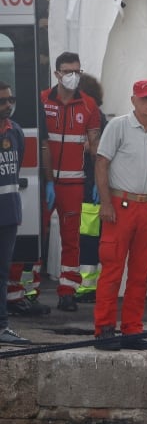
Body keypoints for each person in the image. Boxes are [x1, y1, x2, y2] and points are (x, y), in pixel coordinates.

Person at [92, 79, 147, 351]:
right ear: (134, 100)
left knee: (141, 273)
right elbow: (101, 163)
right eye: (146, 98)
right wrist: (106, 203)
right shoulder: (119, 126)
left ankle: (132, 329)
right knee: (113, 270)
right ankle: (104, 329)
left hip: (146, 209)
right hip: (121, 205)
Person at [40, 51, 102, 312]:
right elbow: (40, 143)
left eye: (77, 71)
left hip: (75, 183)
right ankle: (24, 292)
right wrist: (47, 180)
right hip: (46, 184)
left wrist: (100, 180)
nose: (73, 76)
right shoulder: (42, 100)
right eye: (67, 71)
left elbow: (96, 147)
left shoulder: (89, 105)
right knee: (36, 236)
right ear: (57, 74)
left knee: (71, 240)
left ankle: (68, 291)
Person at [0, 81, 32, 345]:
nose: (8, 105)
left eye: (10, 100)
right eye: (2, 101)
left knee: (2, 272)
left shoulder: (16, 132)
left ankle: (2, 326)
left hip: (8, 213)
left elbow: (16, 169)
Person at [74, 72, 109, 303]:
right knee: (85, 237)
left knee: (88, 236)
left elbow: (102, 154)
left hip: (89, 184)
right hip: (84, 183)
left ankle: (88, 286)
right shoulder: (96, 116)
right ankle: (86, 285)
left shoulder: (96, 117)